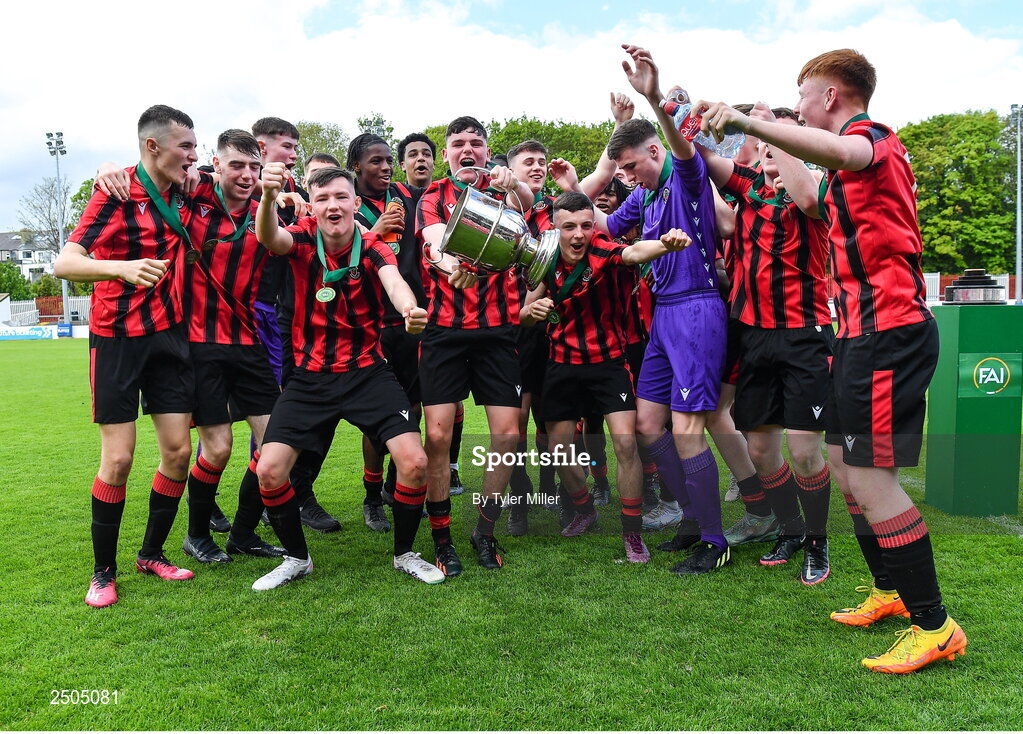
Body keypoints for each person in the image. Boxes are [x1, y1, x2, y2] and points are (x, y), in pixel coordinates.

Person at [699, 48, 966, 672]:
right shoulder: (835, 169)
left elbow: (842, 154)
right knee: (847, 469)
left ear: (832, 97)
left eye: (804, 96)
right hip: (856, 336)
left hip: (887, 334)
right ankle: (890, 592)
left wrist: (750, 122)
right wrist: (768, 135)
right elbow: (810, 194)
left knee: (872, 479)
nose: (798, 107)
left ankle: (936, 626)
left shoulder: (869, 138)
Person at [553, 46, 731, 574]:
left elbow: (682, 148)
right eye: (622, 170)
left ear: (655, 152)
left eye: (631, 165)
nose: (626, 175)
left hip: (697, 311)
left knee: (687, 429)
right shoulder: (645, 198)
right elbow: (600, 229)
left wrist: (653, 96)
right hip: (661, 319)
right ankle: (693, 520)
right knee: (650, 425)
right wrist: (570, 193)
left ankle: (714, 540)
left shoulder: (684, 178)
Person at [252, 162, 443, 589]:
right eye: (322, 198)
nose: (332, 205)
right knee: (270, 470)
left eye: (341, 197)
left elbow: (394, 281)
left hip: (366, 373)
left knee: (414, 462)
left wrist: (410, 310)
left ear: (356, 203)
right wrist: (267, 197)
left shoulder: (375, 245)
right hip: (309, 377)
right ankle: (297, 559)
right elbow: (271, 237)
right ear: (312, 206)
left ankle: (405, 553)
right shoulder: (301, 237)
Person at [55, 105, 200, 608]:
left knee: (179, 452)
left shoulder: (190, 188)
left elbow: (239, 178)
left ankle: (152, 553)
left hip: (170, 337)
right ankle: (102, 572)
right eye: (185, 146)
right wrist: (122, 267)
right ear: (152, 146)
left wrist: (283, 188)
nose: (193, 155)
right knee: (117, 458)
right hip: (116, 338)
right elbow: (64, 262)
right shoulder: (113, 193)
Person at [695, 108, 834, 585]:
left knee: (804, 452)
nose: (772, 165)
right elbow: (700, 154)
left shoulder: (815, 196)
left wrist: (778, 136)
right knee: (760, 448)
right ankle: (790, 529)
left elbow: (809, 193)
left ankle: (818, 539)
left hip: (804, 335)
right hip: (755, 337)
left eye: (782, 155)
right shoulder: (748, 189)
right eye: (767, 157)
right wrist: (662, 103)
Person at [520, 191, 691, 561]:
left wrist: (663, 245)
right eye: (569, 227)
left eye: (586, 224)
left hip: (610, 363)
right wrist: (534, 309)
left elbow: (631, 253)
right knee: (558, 450)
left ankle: (631, 533)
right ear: (555, 228)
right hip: (562, 364)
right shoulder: (546, 258)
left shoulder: (603, 249)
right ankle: (584, 508)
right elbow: (522, 312)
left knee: (626, 445)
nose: (579, 234)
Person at [415, 115, 536, 575]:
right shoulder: (433, 196)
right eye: (458, 144)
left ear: (487, 152)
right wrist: (449, 266)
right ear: (446, 154)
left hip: (497, 333)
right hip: (444, 332)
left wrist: (512, 186)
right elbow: (431, 240)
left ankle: (484, 533)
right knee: (440, 438)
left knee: (507, 436)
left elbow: (529, 213)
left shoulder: (504, 189)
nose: (468, 151)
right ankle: (443, 541)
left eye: (477, 144)